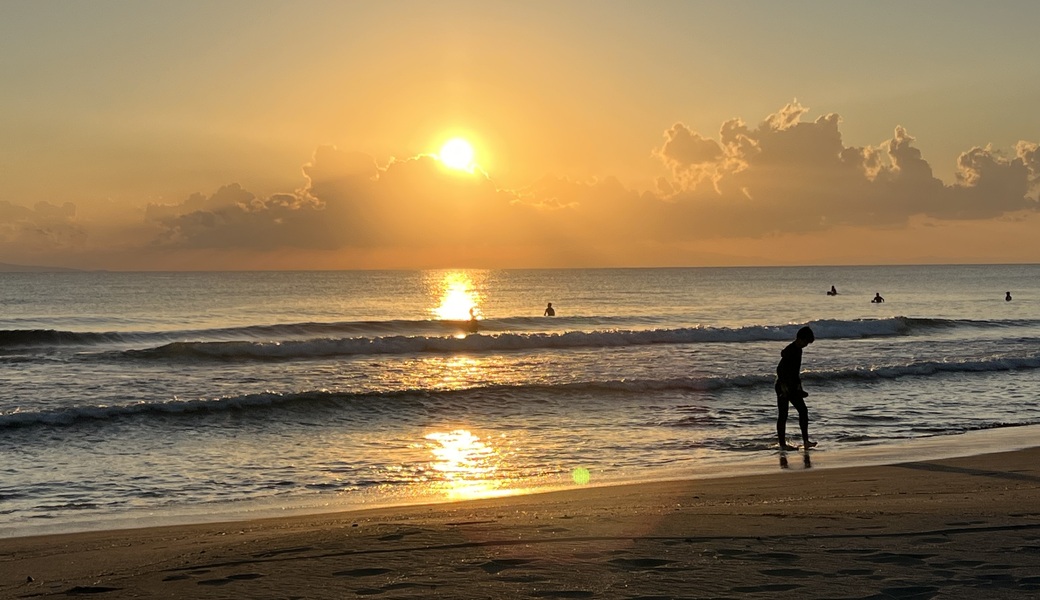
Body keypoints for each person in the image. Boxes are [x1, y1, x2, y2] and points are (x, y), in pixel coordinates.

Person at [775, 326, 816, 451]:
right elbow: (780, 369)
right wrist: (784, 386)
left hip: (792, 387)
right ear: (799, 339)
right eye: (805, 342)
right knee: (783, 415)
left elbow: (795, 372)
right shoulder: (791, 350)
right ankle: (782, 444)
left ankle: (805, 441)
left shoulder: (798, 350)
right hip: (783, 387)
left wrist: (799, 387)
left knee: (803, 411)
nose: (806, 345)